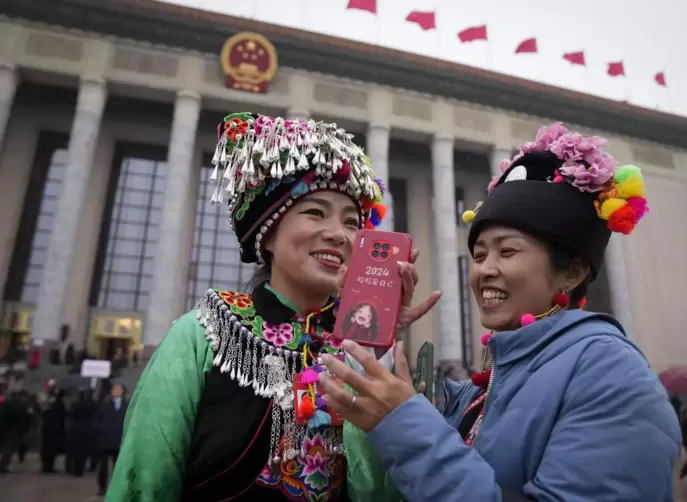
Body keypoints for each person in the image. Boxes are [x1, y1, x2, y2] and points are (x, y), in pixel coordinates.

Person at [319, 122, 682, 501]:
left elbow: (419, 438)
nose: (483, 271)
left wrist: (403, 424)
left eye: (507, 251)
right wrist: (379, 331)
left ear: (572, 272)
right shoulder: (488, 382)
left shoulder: (609, 371)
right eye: (478, 255)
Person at [105, 113, 438, 501]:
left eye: (352, 223)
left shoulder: (357, 351)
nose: (338, 234)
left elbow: (379, 491)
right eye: (315, 213)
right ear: (267, 235)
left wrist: (372, 352)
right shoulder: (207, 333)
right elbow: (144, 478)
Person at [96, 384, 128, 495]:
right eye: (114, 389)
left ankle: (117, 487)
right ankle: (102, 488)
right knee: (103, 467)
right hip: (106, 440)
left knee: (118, 466)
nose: (116, 391)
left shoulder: (127, 406)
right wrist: (103, 429)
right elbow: (97, 420)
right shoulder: (104, 406)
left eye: (118, 389)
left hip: (119, 440)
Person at [67, 388, 98, 477]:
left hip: (77, 429)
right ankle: (82, 468)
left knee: (76, 451)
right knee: (84, 451)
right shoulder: (95, 405)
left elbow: (70, 415)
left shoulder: (77, 404)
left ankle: (75, 469)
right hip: (90, 429)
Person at [40, 385, 67, 473]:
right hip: (55, 430)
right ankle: (49, 467)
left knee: (47, 449)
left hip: (47, 429)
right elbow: (63, 416)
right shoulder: (60, 405)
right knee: (52, 450)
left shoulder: (49, 404)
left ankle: (46, 467)